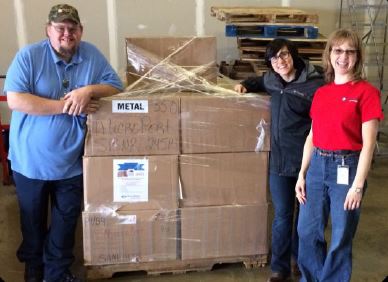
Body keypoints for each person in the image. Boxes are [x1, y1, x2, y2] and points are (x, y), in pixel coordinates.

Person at [3, 4, 123, 282]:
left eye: (72, 29)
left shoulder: (90, 54)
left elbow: (116, 85)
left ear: (80, 32)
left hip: (71, 163)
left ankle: (56, 274)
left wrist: (88, 90)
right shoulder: (29, 56)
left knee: (65, 222)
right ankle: (33, 269)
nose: (66, 34)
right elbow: (16, 99)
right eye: (60, 28)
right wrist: (66, 106)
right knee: (32, 221)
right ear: (48, 31)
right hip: (30, 162)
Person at [295, 29, 384, 282]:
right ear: (329, 54)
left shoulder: (366, 93)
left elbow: (368, 145)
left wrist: (357, 186)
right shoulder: (322, 93)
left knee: (341, 234)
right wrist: (302, 174)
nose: (343, 57)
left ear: (357, 57)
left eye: (350, 51)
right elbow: (312, 136)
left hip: (347, 168)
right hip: (316, 168)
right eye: (338, 50)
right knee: (306, 231)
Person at [234, 38, 324, 282]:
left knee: (306, 217)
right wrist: (244, 84)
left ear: (293, 55)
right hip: (279, 164)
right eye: (274, 59)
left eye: (283, 55)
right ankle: (279, 268)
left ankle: (300, 260)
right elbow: (257, 81)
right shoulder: (272, 79)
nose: (280, 61)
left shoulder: (315, 84)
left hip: (308, 162)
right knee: (283, 215)